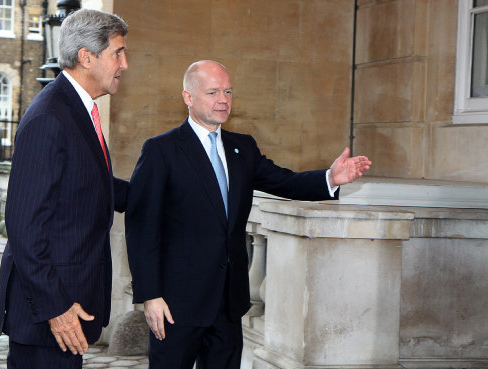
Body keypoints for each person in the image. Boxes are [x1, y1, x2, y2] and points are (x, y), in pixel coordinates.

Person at [125, 60, 372, 369]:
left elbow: (284, 181)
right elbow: (142, 226)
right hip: (177, 304)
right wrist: (151, 295)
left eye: (227, 91)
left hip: (229, 303)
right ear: (188, 97)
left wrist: (330, 179)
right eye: (213, 92)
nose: (223, 100)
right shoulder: (161, 150)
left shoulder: (242, 147)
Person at [0, 9, 129, 369]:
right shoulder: (50, 116)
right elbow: (24, 225)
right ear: (87, 57)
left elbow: (88, 183)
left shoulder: (78, 109)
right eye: (117, 52)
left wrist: (167, 192)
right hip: (49, 314)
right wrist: (55, 308)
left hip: (70, 304)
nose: (124, 63)